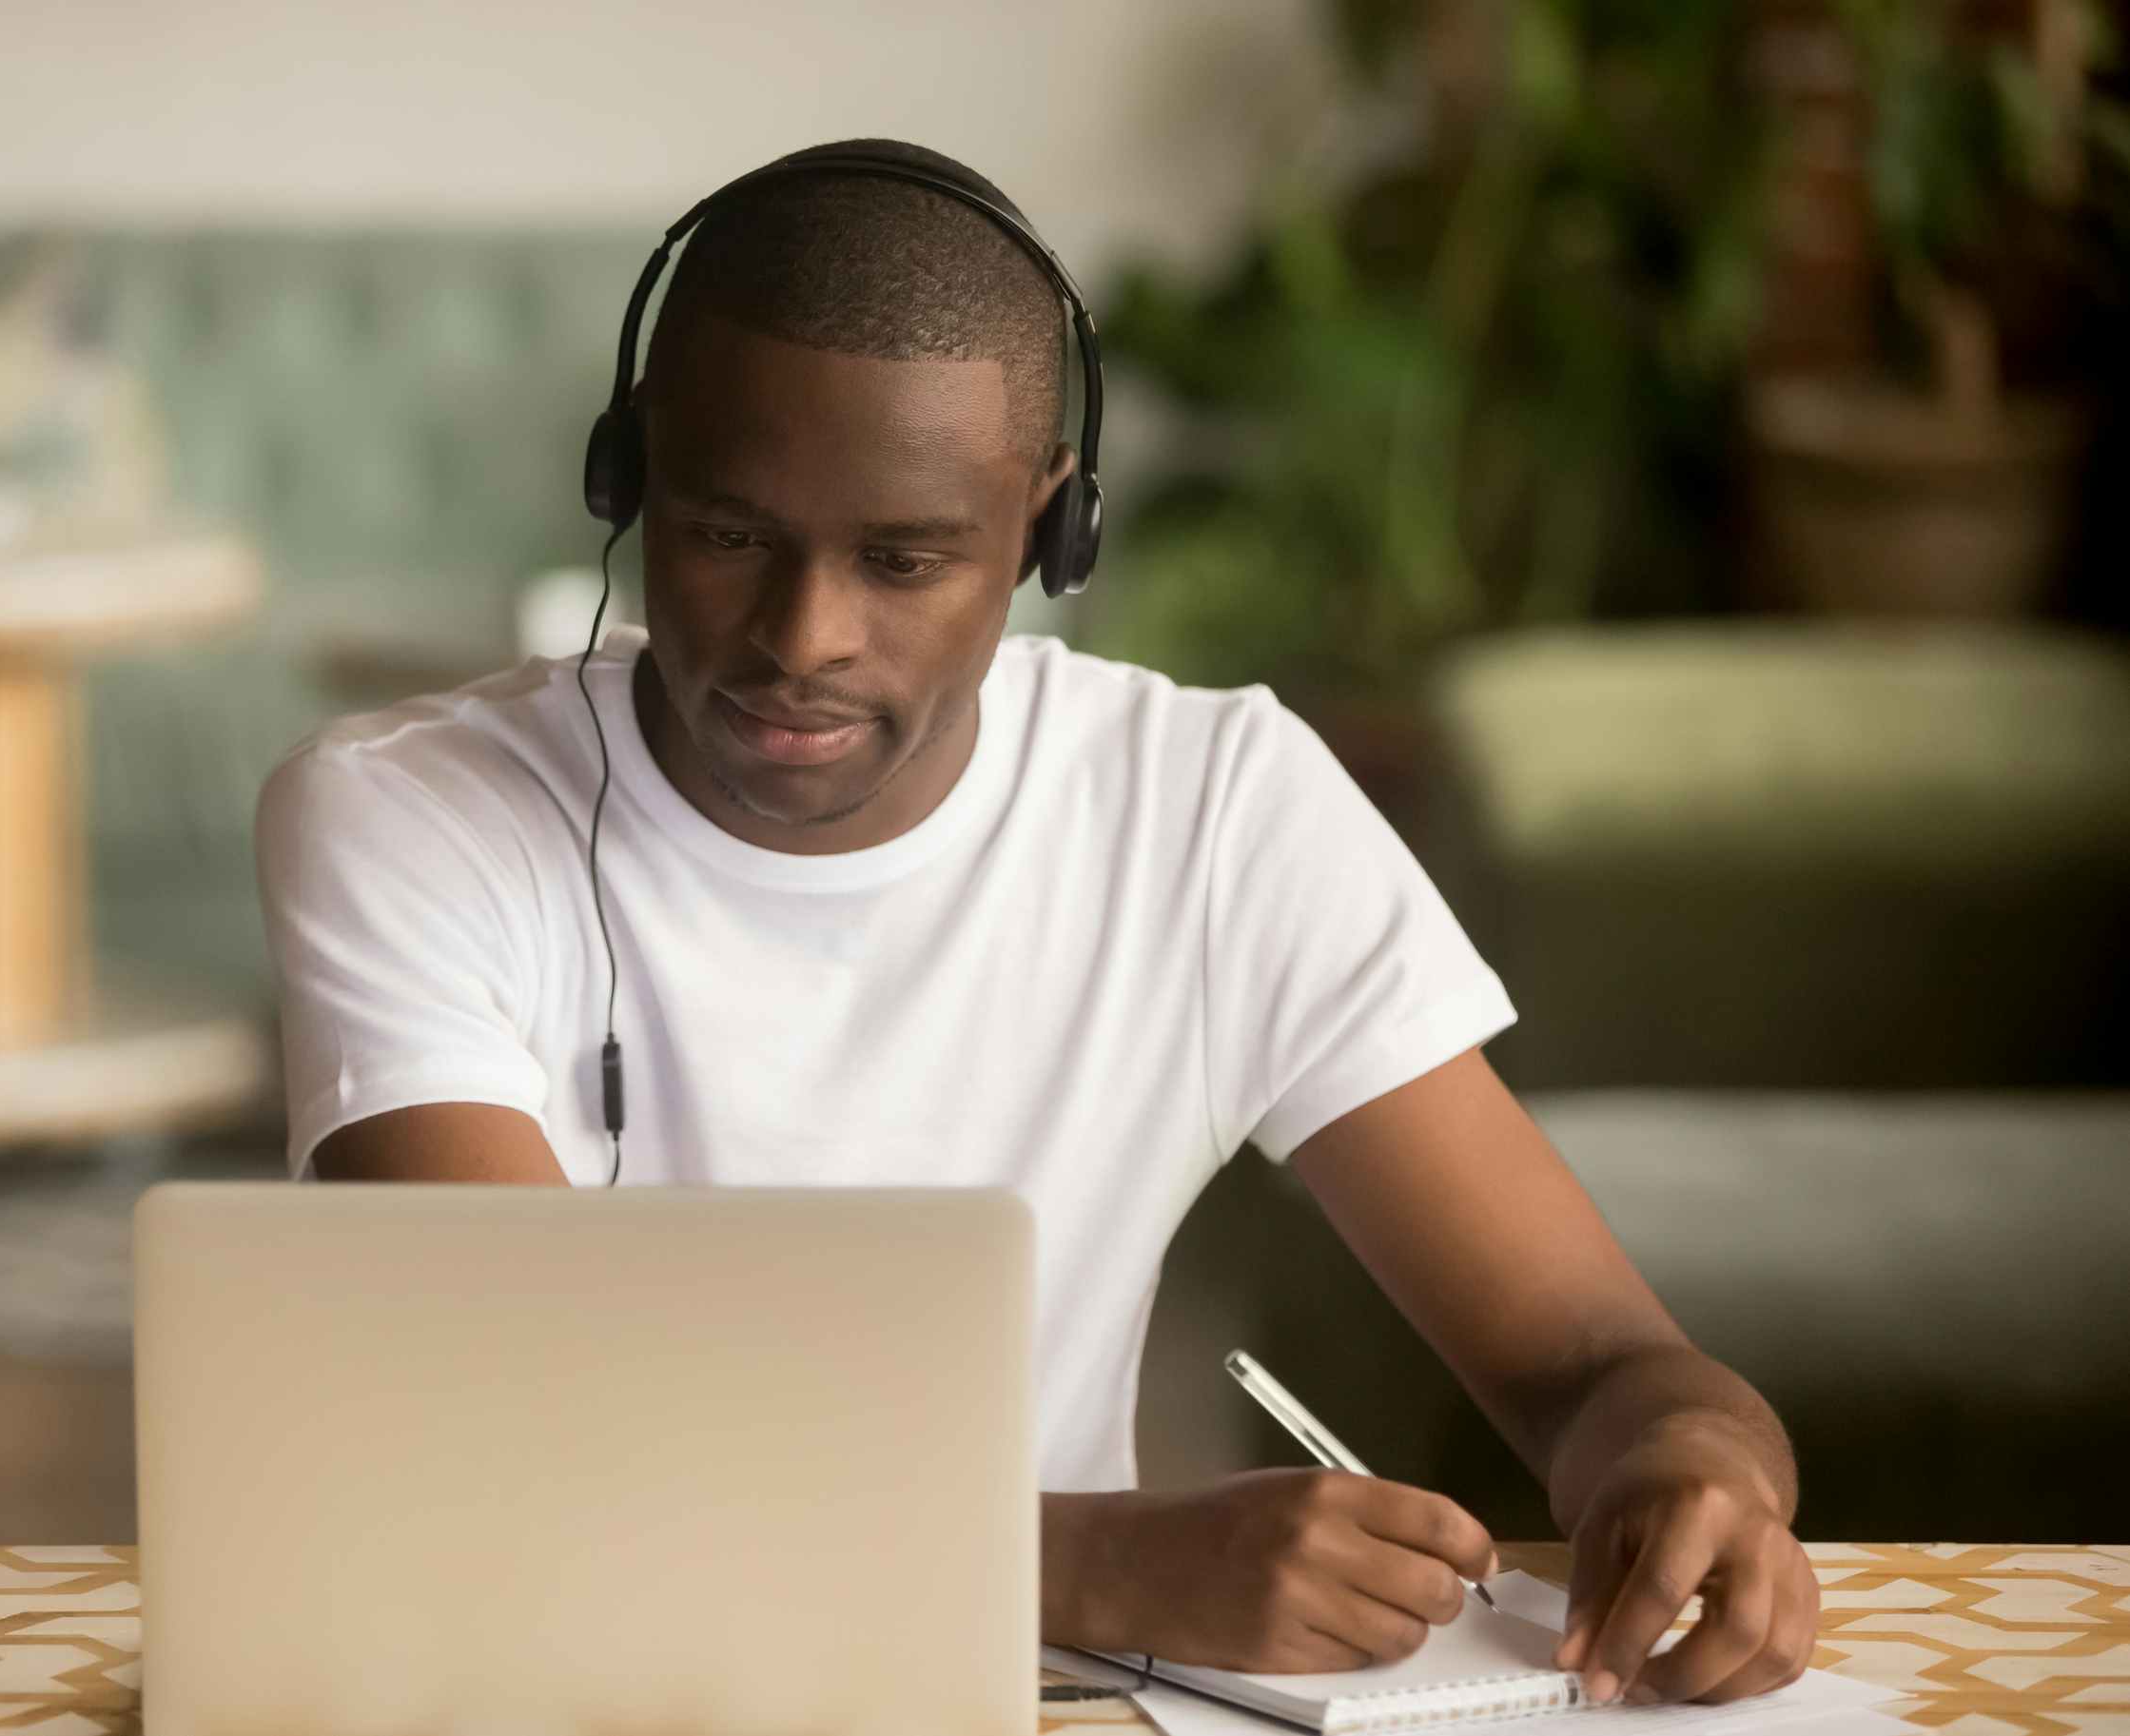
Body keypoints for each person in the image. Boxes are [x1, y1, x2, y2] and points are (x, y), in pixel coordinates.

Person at [255, 139, 1817, 1707]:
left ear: (1048, 532)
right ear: (629, 479)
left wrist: (1696, 1466)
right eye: (729, 535)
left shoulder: (1213, 812)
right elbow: (500, 1438)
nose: (803, 638)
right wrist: (1092, 1562)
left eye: (902, 558)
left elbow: (1595, 1364)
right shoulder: (408, 813)